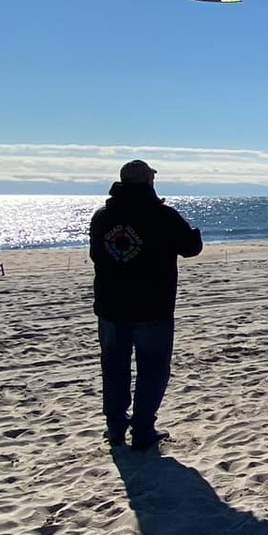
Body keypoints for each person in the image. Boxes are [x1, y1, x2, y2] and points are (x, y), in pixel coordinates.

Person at [90, 160, 203, 450]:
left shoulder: (103, 216)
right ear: (148, 182)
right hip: (151, 306)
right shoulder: (161, 215)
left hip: (113, 305)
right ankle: (141, 429)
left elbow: (97, 255)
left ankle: (116, 427)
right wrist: (194, 231)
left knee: (114, 367)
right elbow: (191, 247)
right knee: (152, 369)